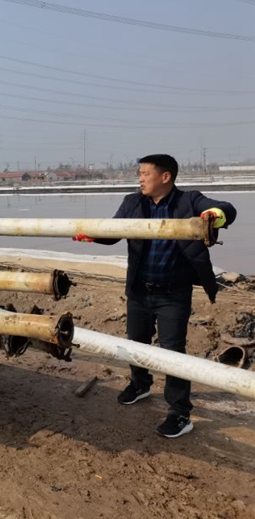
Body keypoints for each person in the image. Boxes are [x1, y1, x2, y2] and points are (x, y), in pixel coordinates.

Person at [73, 154, 236, 438]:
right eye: (139, 174)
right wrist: (92, 234)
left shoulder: (189, 201)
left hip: (173, 293)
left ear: (165, 177)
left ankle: (180, 413)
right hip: (139, 289)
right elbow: (114, 232)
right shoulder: (133, 203)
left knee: (173, 353)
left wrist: (213, 217)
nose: (140, 179)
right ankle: (140, 385)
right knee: (136, 342)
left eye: (145, 173)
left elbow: (227, 209)